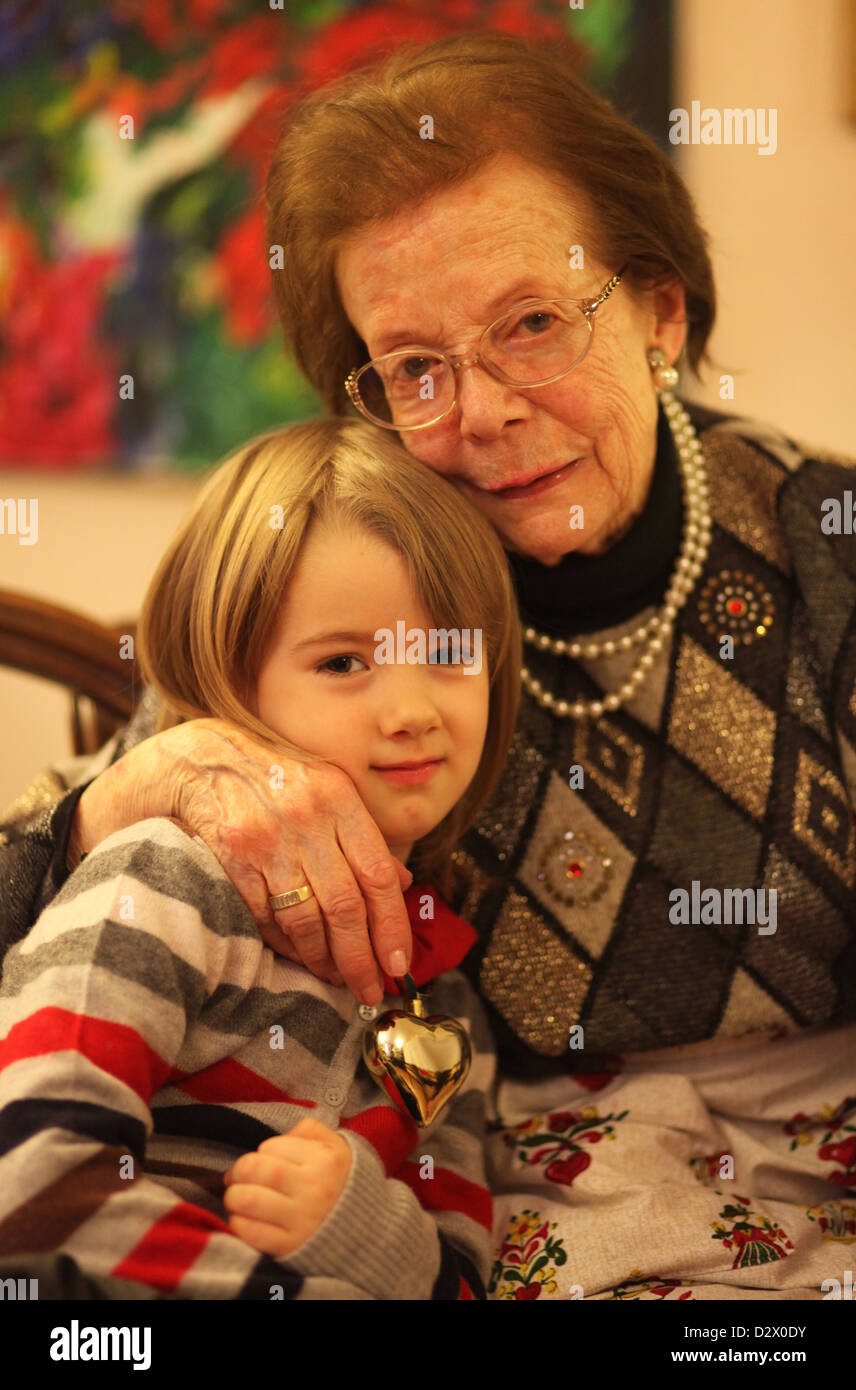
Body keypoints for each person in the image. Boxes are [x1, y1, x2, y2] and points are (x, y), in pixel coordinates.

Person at [2, 32, 854, 1300]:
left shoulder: (819, 545)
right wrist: (120, 800)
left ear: (659, 310)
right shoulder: (333, 580)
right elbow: (54, 917)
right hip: (479, 1193)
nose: (486, 410)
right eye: (415, 367)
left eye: (531, 323)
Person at [0, 418, 521, 1300]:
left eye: (447, 651)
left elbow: (460, 1274)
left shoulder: (448, 990)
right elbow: (32, 1181)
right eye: (346, 660)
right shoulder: (161, 881)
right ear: (225, 690)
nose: (411, 710)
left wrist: (361, 1228)